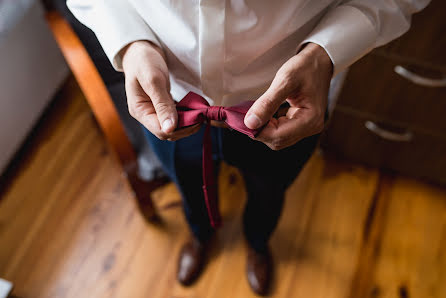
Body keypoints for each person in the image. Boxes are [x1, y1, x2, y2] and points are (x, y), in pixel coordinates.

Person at [68, 0, 429, 295]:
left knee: (270, 191)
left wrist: (325, 53)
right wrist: (130, 45)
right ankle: (200, 236)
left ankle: (258, 242)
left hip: (285, 107)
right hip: (171, 104)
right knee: (187, 184)